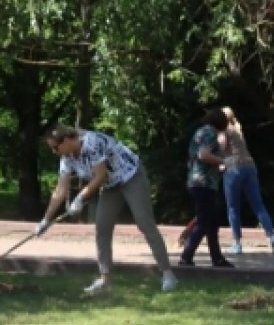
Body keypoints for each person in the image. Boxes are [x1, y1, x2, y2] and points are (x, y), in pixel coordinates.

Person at [37, 124, 178, 295]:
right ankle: (105, 279)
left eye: (55, 147)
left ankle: (168, 274)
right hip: (111, 185)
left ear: (66, 140)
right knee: (102, 227)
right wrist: (46, 220)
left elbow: (100, 175)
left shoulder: (91, 142)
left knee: (144, 222)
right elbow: (60, 190)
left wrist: (80, 198)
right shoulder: (67, 158)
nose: (54, 151)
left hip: (131, 176)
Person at [221, 107, 274, 255]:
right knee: (258, 204)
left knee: (233, 207)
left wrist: (220, 163)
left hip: (234, 169)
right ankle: (272, 237)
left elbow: (222, 148)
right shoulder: (238, 128)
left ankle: (236, 243)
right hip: (250, 167)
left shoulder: (224, 130)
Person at [178, 109, 235, 269]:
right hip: (204, 183)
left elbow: (194, 158)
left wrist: (218, 166)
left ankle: (217, 259)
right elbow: (204, 155)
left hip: (196, 181)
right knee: (203, 222)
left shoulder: (200, 132)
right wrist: (223, 162)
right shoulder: (210, 133)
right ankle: (186, 257)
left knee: (212, 223)